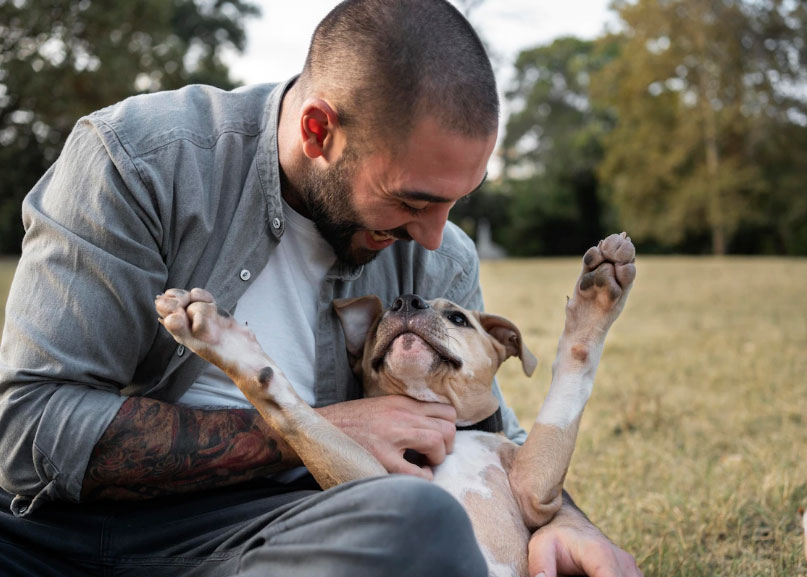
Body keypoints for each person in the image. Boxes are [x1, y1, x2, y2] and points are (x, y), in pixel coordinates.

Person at [0, 1, 642, 576]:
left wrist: (565, 526)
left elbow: (487, 435)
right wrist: (314, 431)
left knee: (418, 526)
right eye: (413, 200)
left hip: (295, 537)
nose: (435, 237)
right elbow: (26, 433)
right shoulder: (139, 162)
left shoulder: (439, 260)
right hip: (69, 534)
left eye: (455, 202)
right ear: (317, 132)